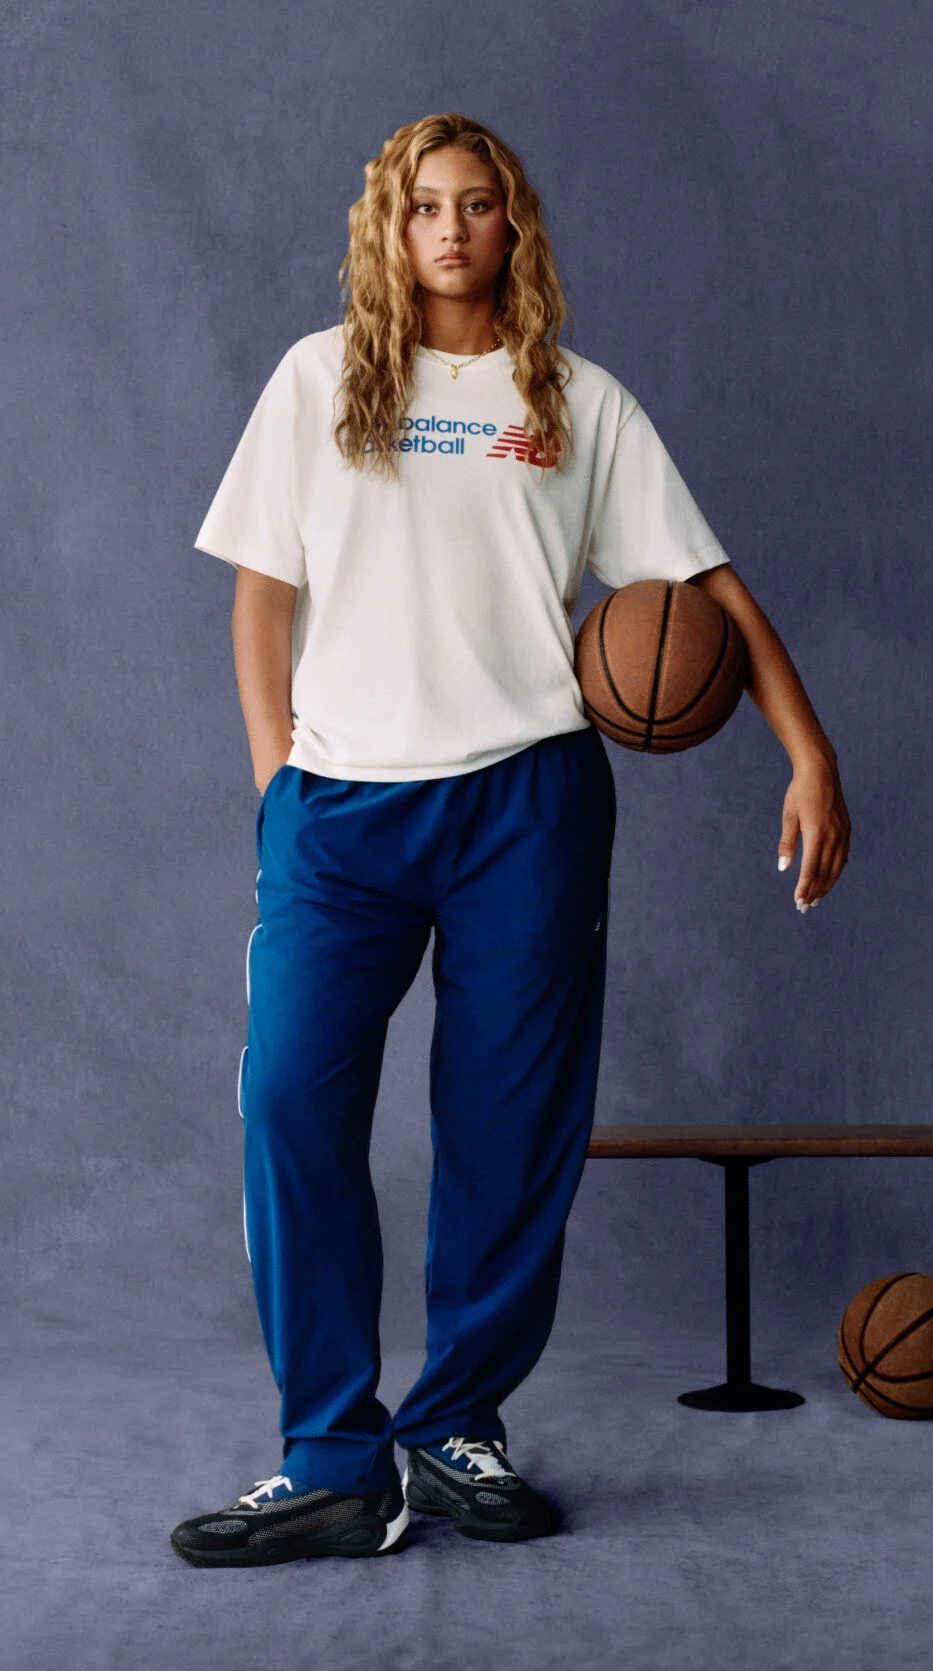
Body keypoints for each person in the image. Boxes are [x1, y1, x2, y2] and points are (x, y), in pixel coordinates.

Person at [170, 112, 851, 1568]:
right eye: (426, 206)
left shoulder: (577, 402)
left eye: (479, 205)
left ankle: (458, 1425)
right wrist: (274, 782)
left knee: (506, 1134)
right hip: (341, 811)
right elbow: (258, 599)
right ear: (391, 227)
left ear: (513, 225)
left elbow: (703, 593)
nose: (454, 230)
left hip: (526, 804)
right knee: (291, 1102)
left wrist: (810, 750)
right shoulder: (318, 384)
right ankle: (333, 1458)